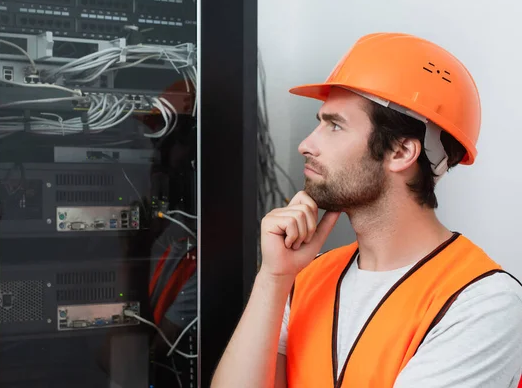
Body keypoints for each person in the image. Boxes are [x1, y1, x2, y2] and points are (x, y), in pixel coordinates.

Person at [211, 32, 522, 388]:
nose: (305, 144)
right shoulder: (308, 278)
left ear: (401, 152)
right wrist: (273, 279)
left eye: (334, 125)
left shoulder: (480, 303)